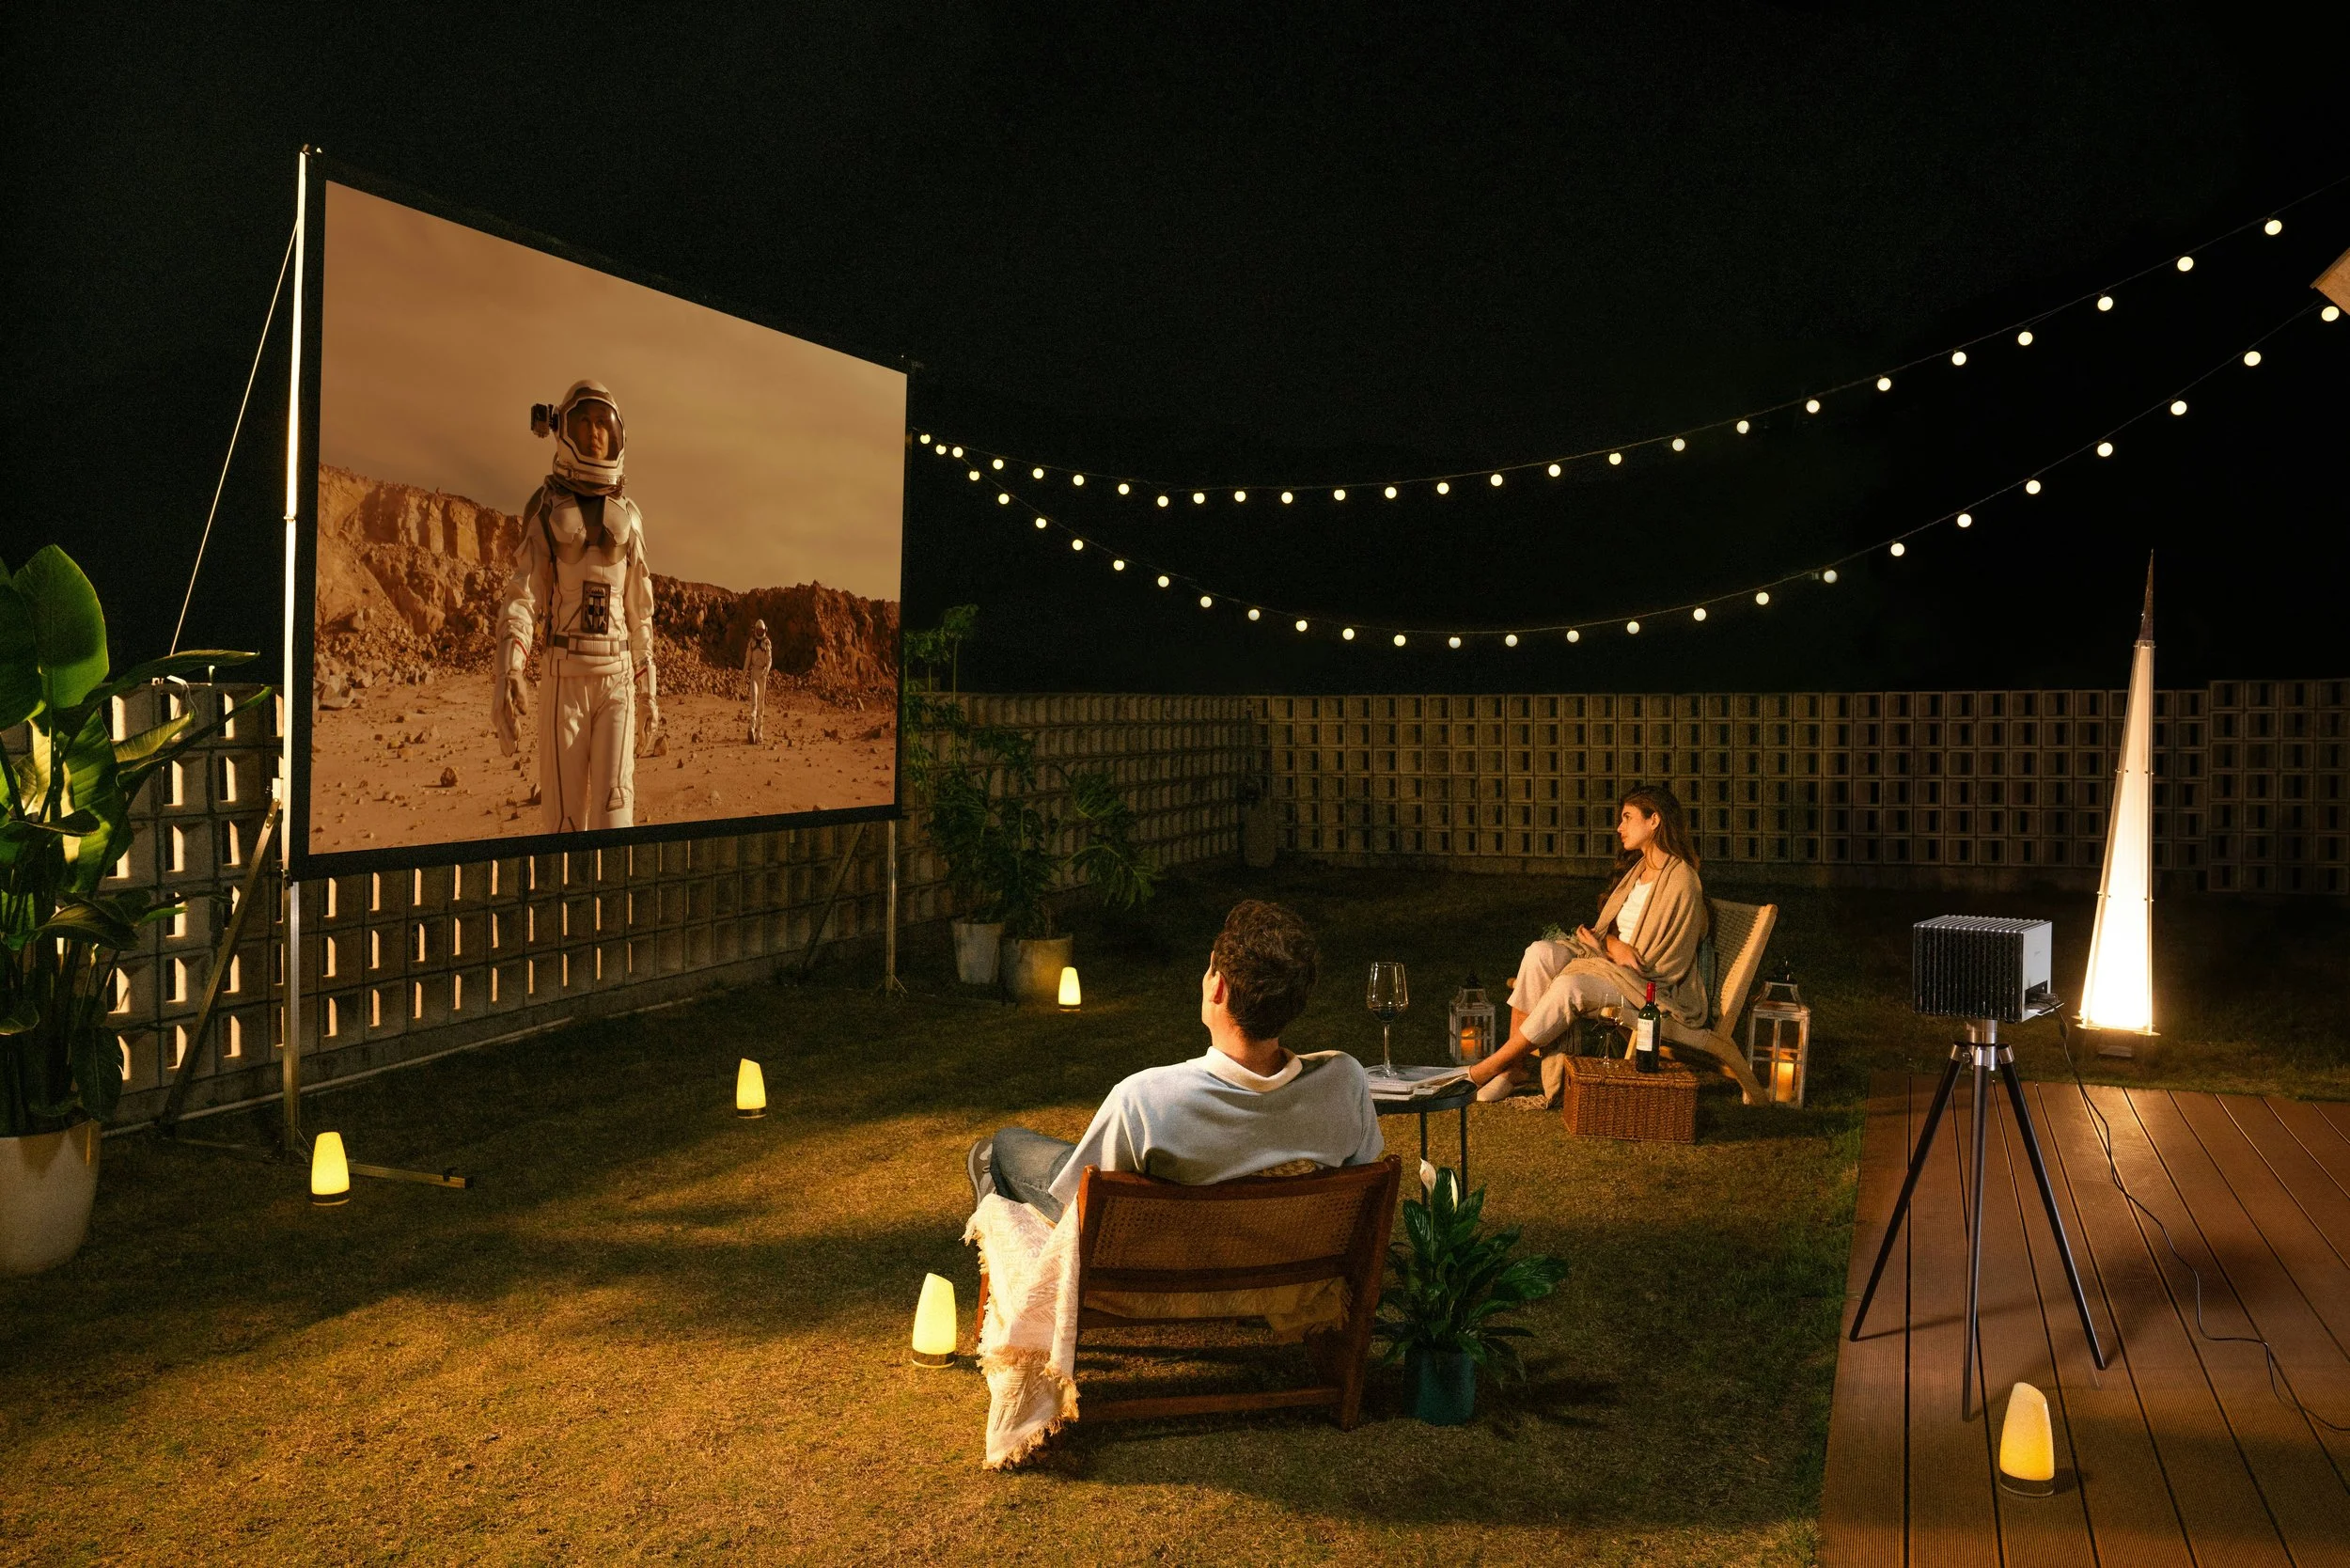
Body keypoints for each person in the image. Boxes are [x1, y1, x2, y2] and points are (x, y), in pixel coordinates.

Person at [970, 900, 1383, 1224]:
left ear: (1217, 987)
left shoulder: (1146, 1101)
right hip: (1285, 1258)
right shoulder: (1344, 1080)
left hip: (1170, 1264)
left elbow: (1085, 1211)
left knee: (1008, 1146)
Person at [1465, 784, 1711, 1103]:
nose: (1619, 827)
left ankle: (1489, 1067)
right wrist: (1609, 944)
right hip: (1616, 967)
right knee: (1538, 953)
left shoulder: (1681, 879)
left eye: (1627, 817)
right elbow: (1621, 939)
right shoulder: (1639, 871)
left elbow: (1659, 958)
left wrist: (1612, 951)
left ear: (1654, 820)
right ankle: (1514, 1069)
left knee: (1571, 986)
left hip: (1649, 986)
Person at [491, 380, 661, 832]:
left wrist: (648, 692)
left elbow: (639, 614)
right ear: (563, 429)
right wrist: (509, 670)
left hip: (618, 680)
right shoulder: (546, 509)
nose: (595, 433)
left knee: (616, 817)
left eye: (603, 425)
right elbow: (523, 597)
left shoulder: (630, 517)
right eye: (584, 422)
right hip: (563, 678)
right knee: (564, 825)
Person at [744, 618, 774, 744]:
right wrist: (744, 671)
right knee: (754, 700)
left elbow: (770, 660)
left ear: (764, 630)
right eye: (758, 630)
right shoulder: (751, 643)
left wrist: (766, 671)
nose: (760, 633)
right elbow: (748, 658)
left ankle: (760, 733)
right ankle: (751, 727)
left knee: (761, 703)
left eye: (761, 631)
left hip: (762, 675)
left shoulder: (766, 643)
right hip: (754, 673)